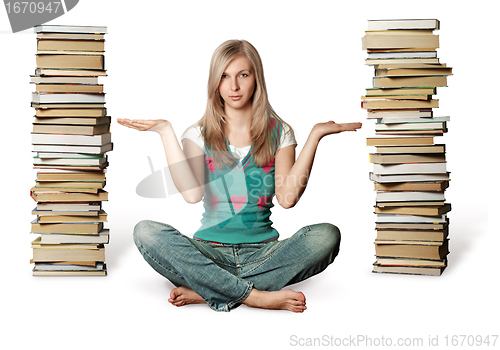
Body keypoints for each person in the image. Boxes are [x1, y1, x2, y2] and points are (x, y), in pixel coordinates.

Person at [117, 39, 362, 313]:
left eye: (242, 75)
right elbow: (191, 194)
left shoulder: (280, 132)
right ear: (215, 83)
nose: (233, 86)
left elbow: (288, 198)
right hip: (208, 253)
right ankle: (255, 296)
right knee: (146, 232)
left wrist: (315, 136)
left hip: (264, 254)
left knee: (326, 236)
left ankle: (208, 290)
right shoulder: (197, 134)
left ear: (256, 78)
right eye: (224, 76)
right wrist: (165, 132)